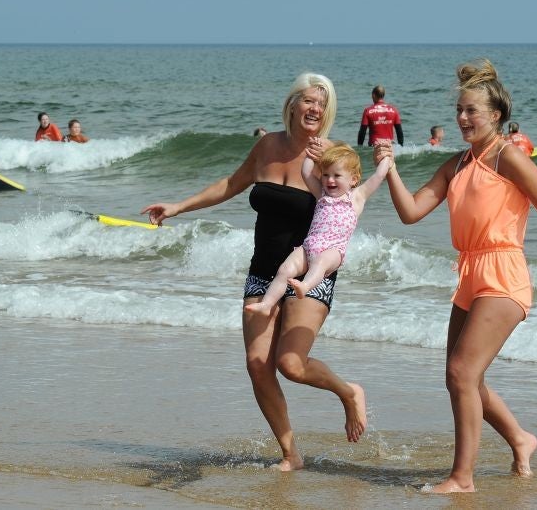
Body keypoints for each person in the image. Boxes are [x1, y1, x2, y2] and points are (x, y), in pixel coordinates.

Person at [373, 58, 537, 493]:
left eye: (471, 111)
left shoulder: (508, 156)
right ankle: (520, 438)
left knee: (462, 372)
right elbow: (411, 212)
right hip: (469, 274)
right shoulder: (457, 165)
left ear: (495, 115)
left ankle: (463, 478)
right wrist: (390, 170)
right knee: (460, 376)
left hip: (504, 272)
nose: (462, 118)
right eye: (459, 110)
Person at [141, 73, 368, 472]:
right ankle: (291, 454)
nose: (315, 108)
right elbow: (231, 183)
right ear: (293, 104)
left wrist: (317, 171)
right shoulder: (267, 146)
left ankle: (348, 392)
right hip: (263, 272)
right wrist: (179, 206)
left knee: (291, 364)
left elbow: (347, 210)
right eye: (308, 101)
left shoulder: (332, 156)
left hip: (308, 270)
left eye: (322, 103)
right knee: (257, 364)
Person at [245, 142, 390, 315]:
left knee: (320, 263)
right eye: (326, 174)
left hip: (333, 250)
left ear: (353, 178)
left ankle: (305, 286)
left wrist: (386, 157)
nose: (329, 180)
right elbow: (306, 172)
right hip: (309, 245)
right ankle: (266, 304)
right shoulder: (321, 194)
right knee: (285, 270)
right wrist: (310, 156)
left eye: (337, 175)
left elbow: (379, 175)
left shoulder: (357, 197)